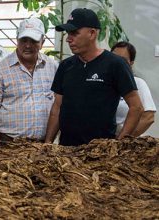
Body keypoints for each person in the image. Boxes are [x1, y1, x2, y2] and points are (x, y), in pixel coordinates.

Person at [44, 8, 144, 146]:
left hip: (100, 153)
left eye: (74, 33)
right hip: (66, 150)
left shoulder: (115, 64)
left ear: (92, 33)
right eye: (68, 33)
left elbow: (136, 107)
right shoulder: (66, 66)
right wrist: (48, 142)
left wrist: (118, 144)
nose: (68, 39)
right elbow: (57, 107)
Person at [0, 17, 59, 141]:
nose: (28, 45)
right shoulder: (0, 69)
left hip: (43, 144)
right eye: (23, 40)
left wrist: (48, 143)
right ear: (17, 40)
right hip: (9, 143)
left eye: (33, 40)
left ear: (42, 42)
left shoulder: (53, 67)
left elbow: (57, 106)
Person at [111, 41, 156, 136]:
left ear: (131, 63)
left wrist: (124, 139)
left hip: (125, 143)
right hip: (100, 142)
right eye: (113, 58)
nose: (117, 63)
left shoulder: (138, 83)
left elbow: (148, 117)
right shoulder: (103, 83)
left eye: (122, 60)